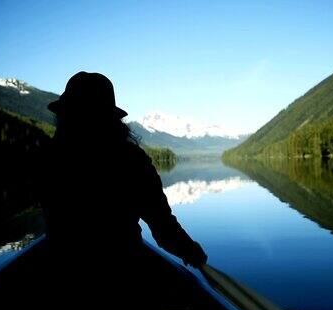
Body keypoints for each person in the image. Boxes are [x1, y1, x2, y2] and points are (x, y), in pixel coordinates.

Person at [39, 71, 207, 269]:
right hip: (124, 269)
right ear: (110, 118)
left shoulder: (50, 158)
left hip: (62, 266)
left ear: (64, 117)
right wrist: (192, 252)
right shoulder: (133, 161)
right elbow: (163, 228)